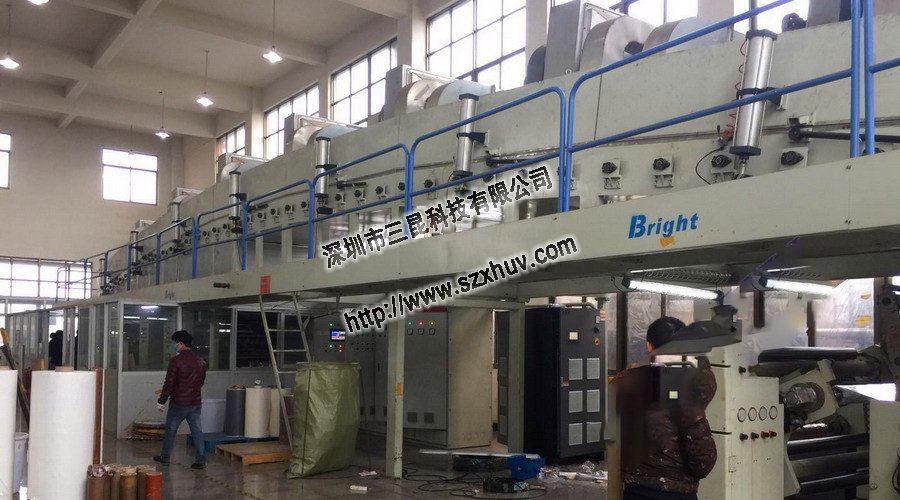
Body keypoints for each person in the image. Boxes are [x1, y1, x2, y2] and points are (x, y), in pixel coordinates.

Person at [612, 317, 717, 500]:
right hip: (679, 493)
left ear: (648, 347)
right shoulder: (694, 388)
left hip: (636, 491)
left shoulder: (626, 383)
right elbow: (703, 462)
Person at [154, 330, 207, 469]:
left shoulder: (175, 361)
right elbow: (201, 382)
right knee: (197, 431)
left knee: (170, 431)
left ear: (181, 344)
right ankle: (200, 460)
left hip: (179, 403)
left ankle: (165, 457)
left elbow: (169, 383)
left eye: (176, 343)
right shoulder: (201, 361)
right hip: (195, 403)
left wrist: (161, 400)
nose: (175, 345)